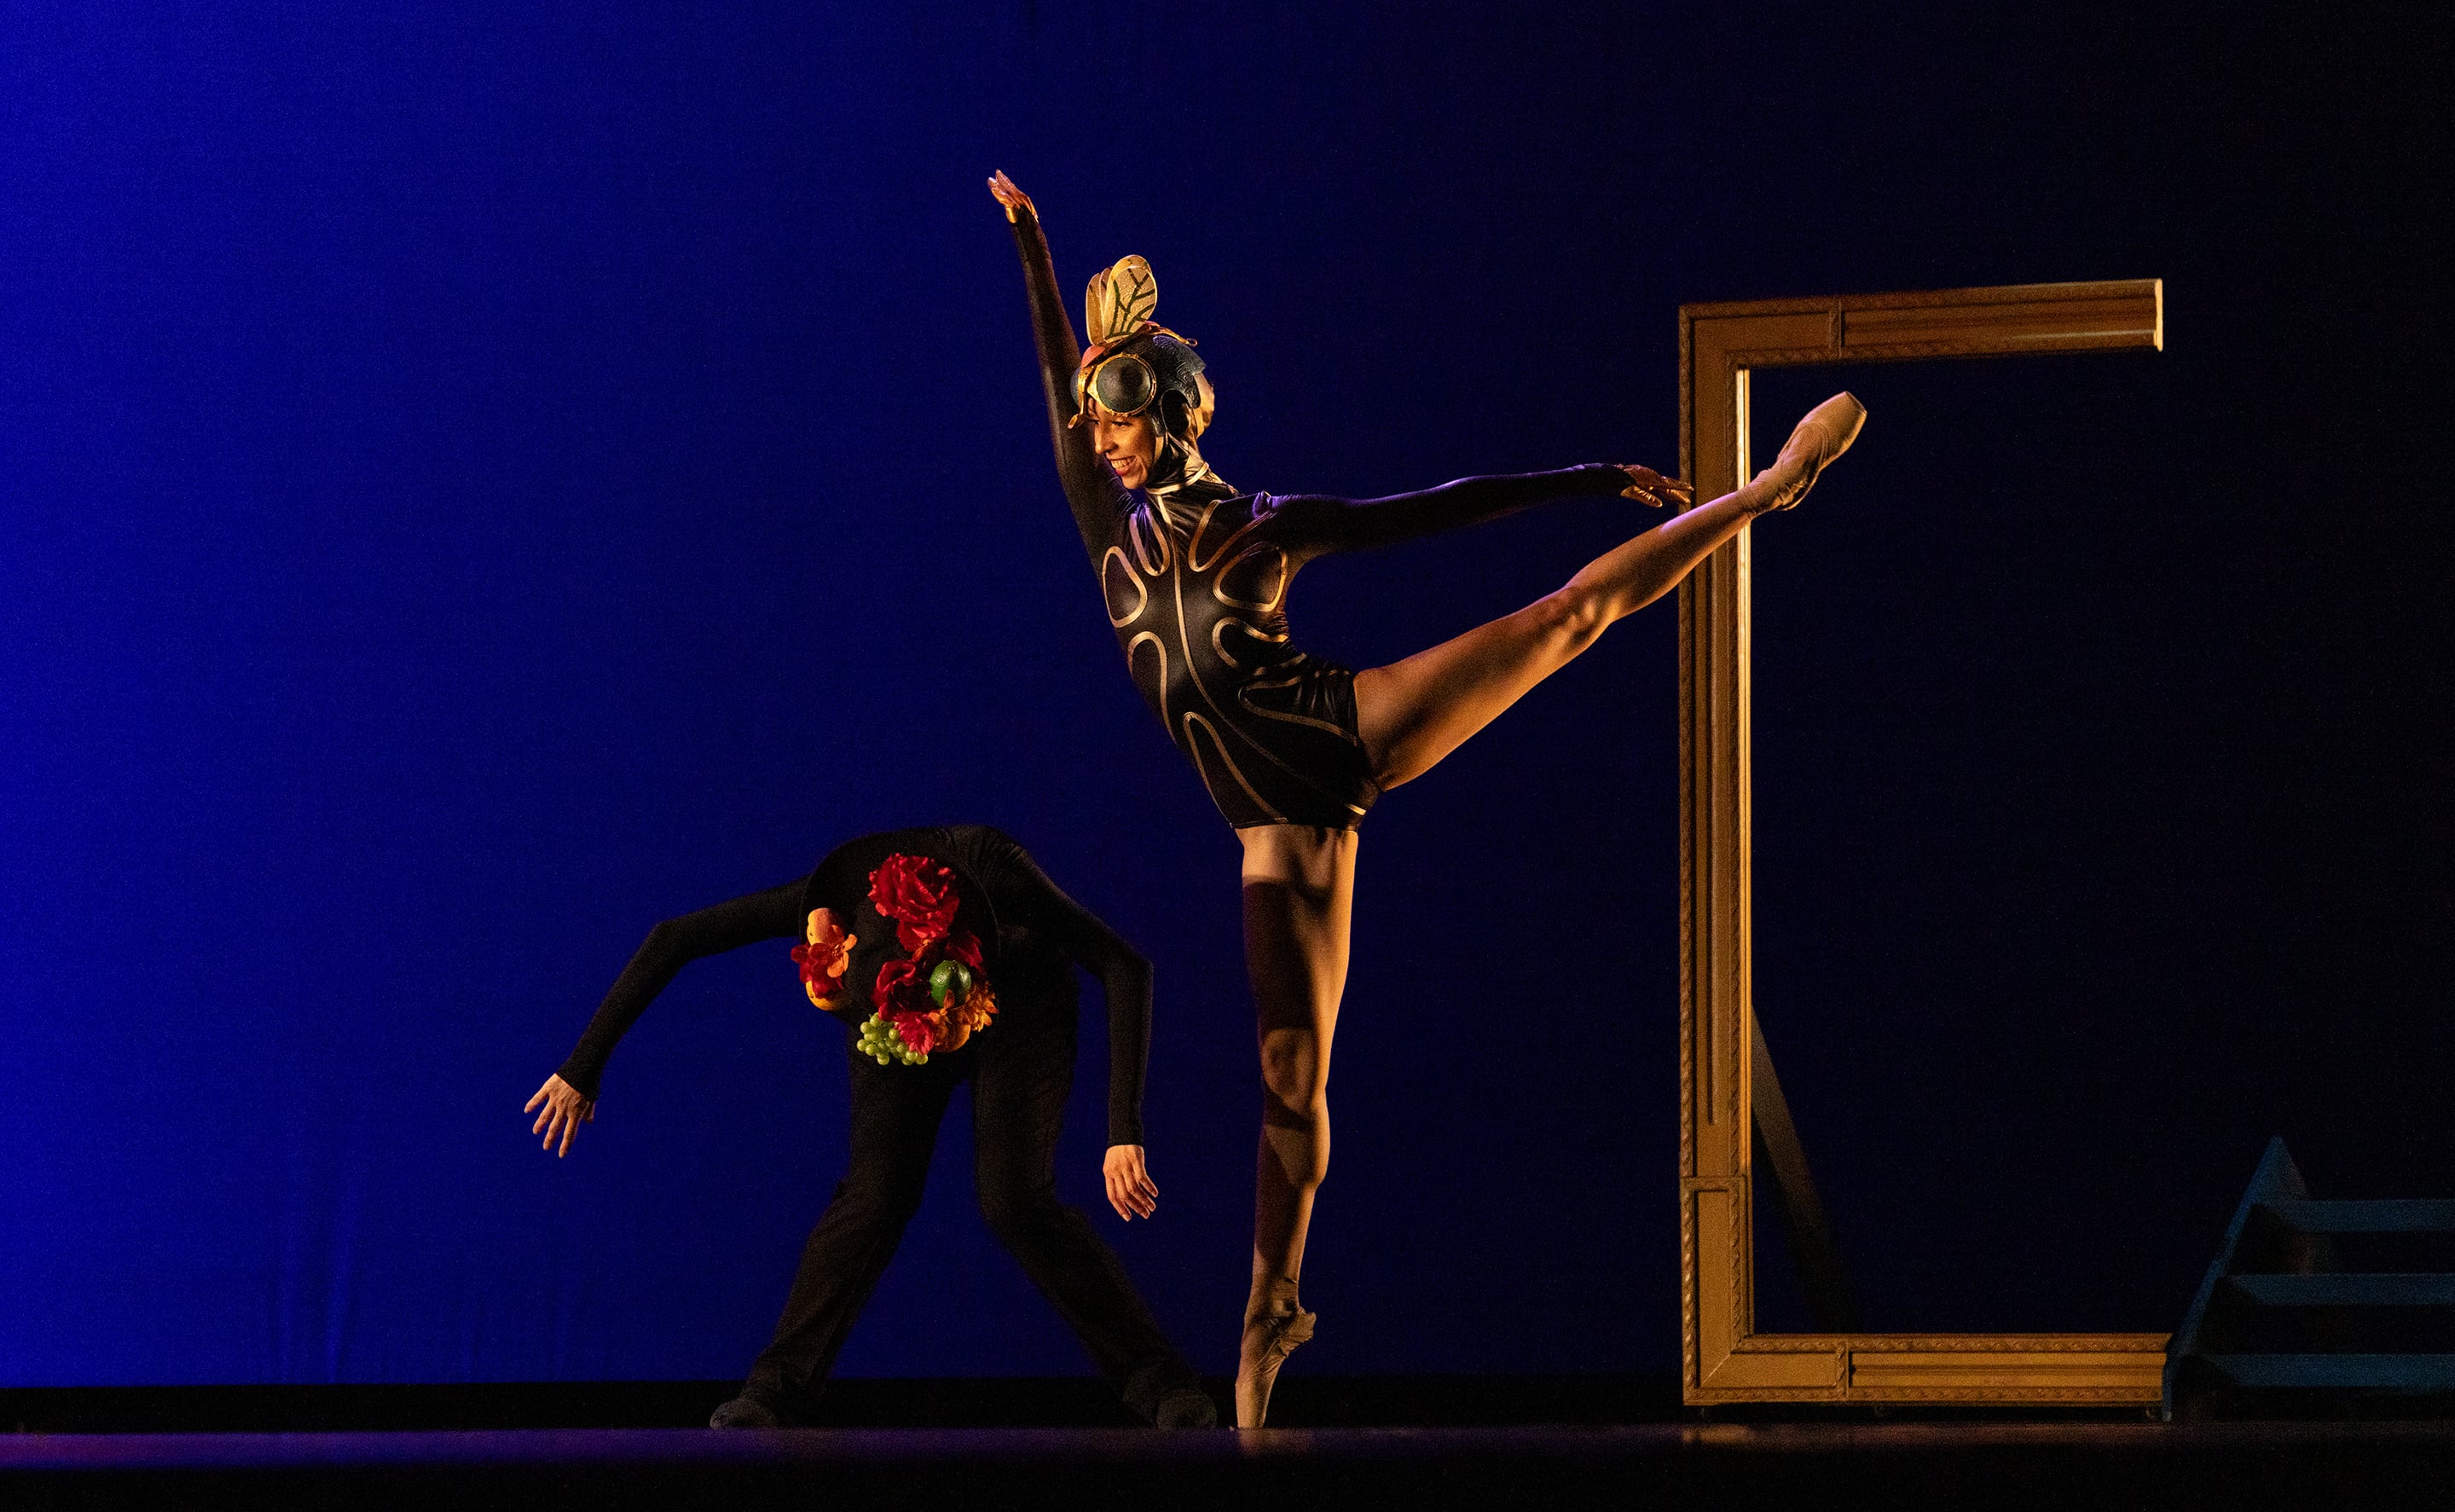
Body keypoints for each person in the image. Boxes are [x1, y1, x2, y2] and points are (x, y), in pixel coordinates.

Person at [988, 171, 1866, 1426]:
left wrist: (1575, 479)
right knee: (1290, 1078)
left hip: (1345, 732)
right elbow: (1046, 386)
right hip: (1271, 834)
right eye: (1092, 419)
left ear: (1170, 414)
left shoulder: (1258, 525)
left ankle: (1764, 489)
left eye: (1117, 415)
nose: (1100, 434)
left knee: (1563, 617)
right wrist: (1031, 243)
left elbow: (1432, 514)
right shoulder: (1102, 528)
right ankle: (1267, 1318)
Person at [524, 824, 1216, 1429]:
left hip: (1017, 1011)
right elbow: (676, 937)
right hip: (893, 1026)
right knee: (872, 1198)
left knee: (1014, 1203)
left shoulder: (997, 873)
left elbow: (1124, 964)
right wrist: (581, 1068)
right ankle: (773, 1392)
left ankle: (1159, 1383)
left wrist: (1123, 1128)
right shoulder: (836, 908)